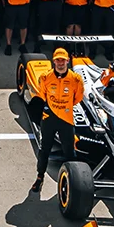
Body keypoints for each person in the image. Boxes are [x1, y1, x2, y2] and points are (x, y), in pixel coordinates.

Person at [29, 47, 84, 193]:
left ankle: (72, 181)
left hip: (66, 120)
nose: (60, 63)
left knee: (69, 152)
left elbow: (78, 97)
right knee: (44, 149)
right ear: (53, 61)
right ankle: (40, 177)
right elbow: (41, 96)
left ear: (67, 61)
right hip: (49, 119)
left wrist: (65, 107)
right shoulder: (45, 77)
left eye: (63, 60)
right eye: (57, 60)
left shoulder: (75, 79)